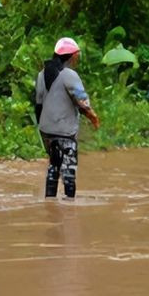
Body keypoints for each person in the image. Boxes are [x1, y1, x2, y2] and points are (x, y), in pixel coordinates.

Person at [35, 37, 99, 200]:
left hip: (46, 130)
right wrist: (93, 118)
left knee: (53, 167)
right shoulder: (70, 75)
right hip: (65, 131)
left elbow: (39, 104)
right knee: (68, 170)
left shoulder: (42, 75)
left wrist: (42, 127)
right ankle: (69, 205)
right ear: (72, 56)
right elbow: (82, 102)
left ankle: (50, 201)